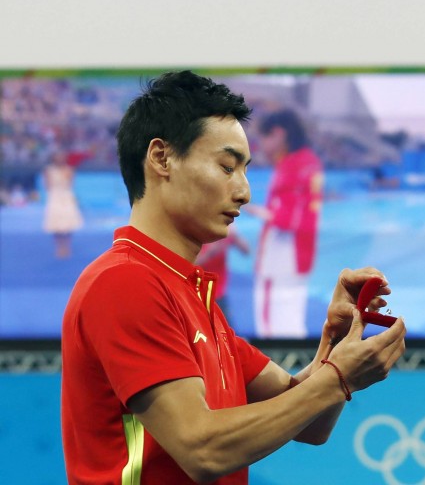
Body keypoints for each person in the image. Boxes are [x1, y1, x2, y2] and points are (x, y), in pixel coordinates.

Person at [60, 71, 406, 484]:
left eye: (244, 170)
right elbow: (201, 449)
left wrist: (334, 343)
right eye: (227, 167)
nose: (244, 192)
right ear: (161, 158)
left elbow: (310, 422)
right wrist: (337, 378)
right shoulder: (124, 283)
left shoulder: (192, 295)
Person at [247, 109, 323, 338]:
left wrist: (260, 212)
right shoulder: (307, 161)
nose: (261, 145)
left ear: (279, 134)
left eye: (264, 137)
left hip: (282, 256)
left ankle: (274, 370)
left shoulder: (294, 164)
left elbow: (291, 216)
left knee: (272, 321)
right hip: (298, 253)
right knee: (290, 317)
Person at [196, 224, 251, 318]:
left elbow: (246, 250)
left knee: (224, 329)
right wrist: (210, 253)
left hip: (218, 293)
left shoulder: (223, 232)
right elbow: (189, 264)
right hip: (198, 293)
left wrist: (235, 235)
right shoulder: (197, 233)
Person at [42, 150, 84, 258]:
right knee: (55, 223)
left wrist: (66, 175)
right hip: (55, 197)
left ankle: (67, 246)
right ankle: (59, 246)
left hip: (66, 197)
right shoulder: (48, 170)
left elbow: (70, 184)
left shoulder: (69, 170)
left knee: (68, 223)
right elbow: (47, 186)